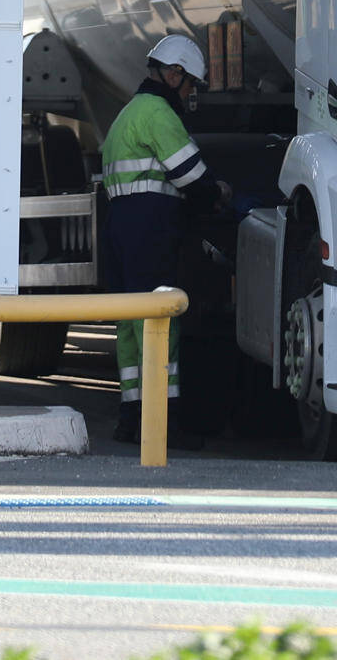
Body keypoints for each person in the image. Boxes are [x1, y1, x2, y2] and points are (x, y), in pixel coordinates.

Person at [99, 33, 226, 446]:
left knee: (130, 323)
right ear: (173, 75)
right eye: (190, 84)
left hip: (121, 225)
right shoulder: (157, 114)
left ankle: (130, 418)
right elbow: (190, 175)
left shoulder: (126, 114)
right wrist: (219, 192)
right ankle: (164, 424)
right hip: (150, 226)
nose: (190, 93)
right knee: (160, 320)